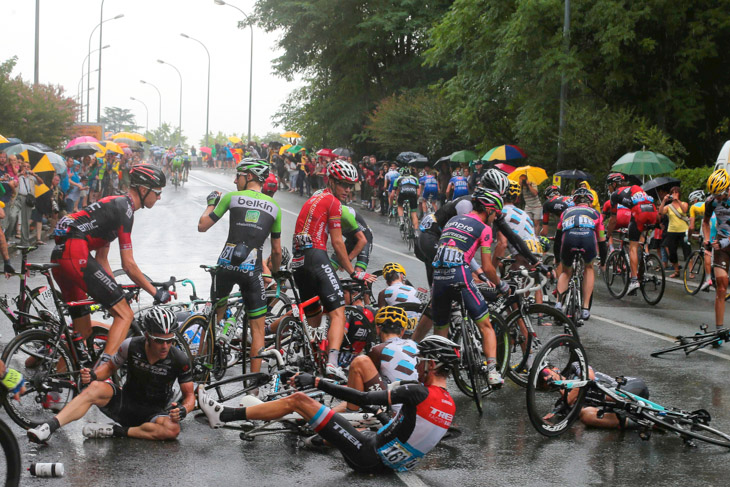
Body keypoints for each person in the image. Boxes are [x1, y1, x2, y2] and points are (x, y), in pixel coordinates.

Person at [198, 334, 459, 473]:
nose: (417, 364)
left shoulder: (417, 392)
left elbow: (363, 398)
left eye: (422, 359)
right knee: (328, 422)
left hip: (369, 455)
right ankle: (318, 434)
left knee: (301, 400)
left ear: (432, 364)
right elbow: (408, 430)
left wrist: (317, 381)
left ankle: (224, 415)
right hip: (387, 460)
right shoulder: (448, 405)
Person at [51, 164, 171, 363]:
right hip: (74, 253)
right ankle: (105, 372)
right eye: (157, 192)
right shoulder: (125, 209)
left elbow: (101, 259)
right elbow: (128, 265)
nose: (159, 197)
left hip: (60, 256)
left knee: (82, 332)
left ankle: (55, 388)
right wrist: (155, 292)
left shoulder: (115, 205)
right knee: (125, 315)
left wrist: (114, 289)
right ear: (143, 190)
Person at [27, 307, 194, 443]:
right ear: (148, 336)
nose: (165, 346)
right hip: (125, 403)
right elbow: (109, 368)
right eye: (159, 340)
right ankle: (48, 427)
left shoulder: (179, 359)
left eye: (169, 340)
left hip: (154, 414)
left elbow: (190, 397)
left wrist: (183, 409)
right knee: (94, 388)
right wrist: (93, 375)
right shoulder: (131, 346)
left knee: (173, 429)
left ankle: (117, 431)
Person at [291, 160, 376, 380]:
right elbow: (338, 243)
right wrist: (353, 272)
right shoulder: (333, 203)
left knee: (314, 314)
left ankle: (312, 355)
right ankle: (332, 363)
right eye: (343, 185)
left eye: (351, 186)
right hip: (315, 256)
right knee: (338, 311)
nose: (348, 190)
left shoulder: (314, 197)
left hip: (299, 260)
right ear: (331, 181)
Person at [198, 159, 282, 375]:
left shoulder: (231, 198)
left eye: (239, 175)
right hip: (252, 272)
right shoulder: (275, 208)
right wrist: (277, 274)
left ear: (250, 176)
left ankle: (200, 372)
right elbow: (277, 252)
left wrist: (211, 203)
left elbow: (202, 226)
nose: (235, 180)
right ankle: (253, 386)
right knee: (257, 332)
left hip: (225, 267)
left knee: (212, 320)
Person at [430, 188, 509, 385]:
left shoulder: (452, 221)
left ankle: (435, 382)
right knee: (486, 325)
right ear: (489, 210)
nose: (495, 218)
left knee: (440, 332)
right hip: (459, 275)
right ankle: (492, 371)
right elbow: (489, 267)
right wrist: (501, 285)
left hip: (438, 277)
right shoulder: (484, 228)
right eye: (496, 214)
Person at [335, 306, 420, 413]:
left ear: (378, 328)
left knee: (359, 365)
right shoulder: (414, 345)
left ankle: (351, 415)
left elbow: (361, 386)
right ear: (402, 331)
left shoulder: (378, 350)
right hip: (416, 406)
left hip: (393, 410)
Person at [538, 361, 649, 430]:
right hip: (616, 408)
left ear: (555, 369)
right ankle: (640, 423)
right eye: (541, 381)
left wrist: (569, 398)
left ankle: (643, 414)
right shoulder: (563, 404)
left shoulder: (575, 366)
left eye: (546, 373)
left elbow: (589, 377)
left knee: (606, 393)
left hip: (627, 387)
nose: (545, 378)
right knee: (586, 416)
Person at [555, 187, 607, 321]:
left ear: (575, 202)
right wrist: (603, 261)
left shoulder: (565, 212)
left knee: (566, 272)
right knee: (589, 268)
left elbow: (557, 238)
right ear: (590, 202)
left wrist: (558, 259)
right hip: (587, 239)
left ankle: (559, 303)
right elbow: (602, 240)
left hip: (569, 239)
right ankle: (585, 308)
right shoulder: (596, 214)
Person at [605, 172, 658, 294]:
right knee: (640, 236)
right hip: (652, 210)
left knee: (632, 247)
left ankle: (634, 280)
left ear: (613, 184)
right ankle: (646, 257)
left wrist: (608, 236)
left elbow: (613, 220)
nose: (608, 188)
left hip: (640, 213)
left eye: (608, 185)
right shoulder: (634, 188)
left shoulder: (614, 195)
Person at [702, 169, 730, 346]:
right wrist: (707, 238)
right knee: (721, 286)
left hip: (726, 242)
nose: (717, 198)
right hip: (721, 243)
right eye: (715, 195)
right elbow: (705, 222)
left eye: (720, 195)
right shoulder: (711, 202)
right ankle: (719, 331)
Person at [377, 263, 424, 335]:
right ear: (402, 276)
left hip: (398, 328)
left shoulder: (383, 293)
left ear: (387, 281)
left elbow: (381, 316)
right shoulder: (414, 290)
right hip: (417, 329)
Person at [330, 204, 373, 276]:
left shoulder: (345, 216)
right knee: (331, 269)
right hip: (351, 239)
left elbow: (363, 240)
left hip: (364, 239)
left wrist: (348, 260)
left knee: (358, 272)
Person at [658, 186, 689, 278]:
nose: (674, 194)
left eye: (676, 192)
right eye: (673, 193)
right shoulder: (668, 206)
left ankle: (691, 272)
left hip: (683, 230)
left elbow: (684, 210)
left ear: (679, 194)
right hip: (672, 231)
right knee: (672, 252)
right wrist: (664, 200)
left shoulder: (684, 203)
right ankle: (676, 270)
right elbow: (660, 212)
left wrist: (678, 200)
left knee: (687, 251)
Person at [688, 189, 713, 291]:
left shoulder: (693, 207)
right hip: (718, 218)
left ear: (694, 200)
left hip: (711, 221)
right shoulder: (708, 202)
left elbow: (691, 227)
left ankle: (708, 279)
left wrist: (689, 236)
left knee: (707, 249)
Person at [394, 167, 420, 234]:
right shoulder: (415, 178)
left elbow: (396, 191)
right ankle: (416, 232)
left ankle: (402, 221)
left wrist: (397, 199)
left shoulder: (398, 179)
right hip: (413, 194)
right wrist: (415, 199)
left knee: (399, 206)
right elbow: (418, 192)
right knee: (414, 213)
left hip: (403, 193)